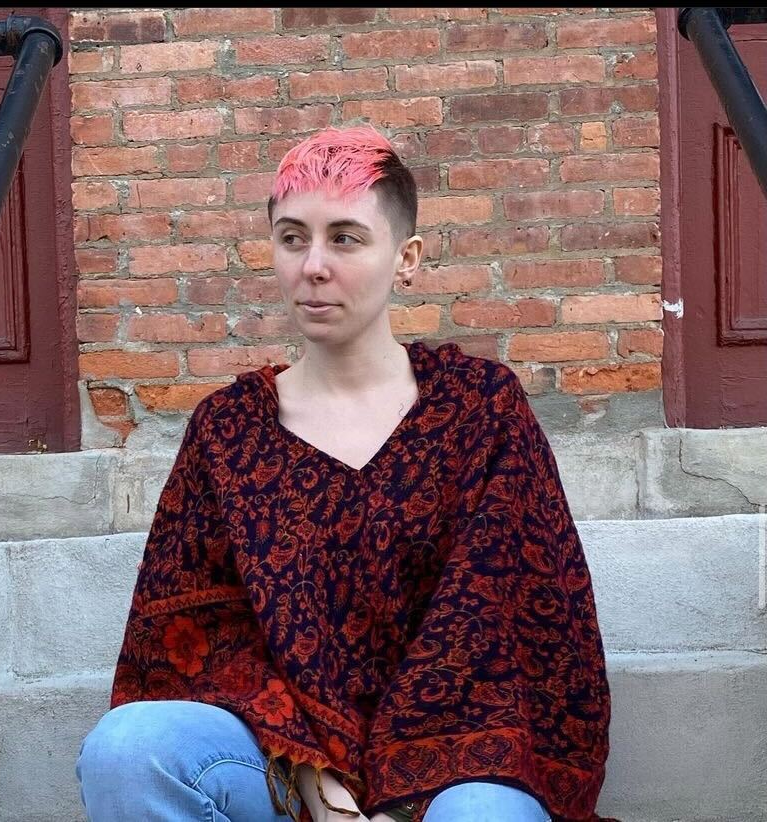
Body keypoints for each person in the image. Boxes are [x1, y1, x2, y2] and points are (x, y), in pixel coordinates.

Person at [75, 125, 614, 822]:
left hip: (460, 769)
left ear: (406, 258)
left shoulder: (480, 410)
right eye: (292, 238)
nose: (314, 265)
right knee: (126, 750)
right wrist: (315, 781)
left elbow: (500, 625)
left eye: (346, 239)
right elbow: (201, 633)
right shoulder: (230, 431)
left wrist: (397, 806)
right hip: (280, 762)